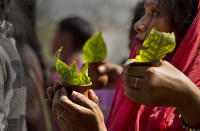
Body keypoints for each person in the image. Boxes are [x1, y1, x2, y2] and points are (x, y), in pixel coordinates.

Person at [47, 0, 200, 130]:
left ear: (190, 29)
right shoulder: (140, 87)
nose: (138, 25)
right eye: (144, 13)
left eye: (155, 12)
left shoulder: (189, 92)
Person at [48, 16, 93, 86]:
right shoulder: (87, 72)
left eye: (56, 33)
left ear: (65, 38)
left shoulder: (59, 77)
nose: (52, 39)